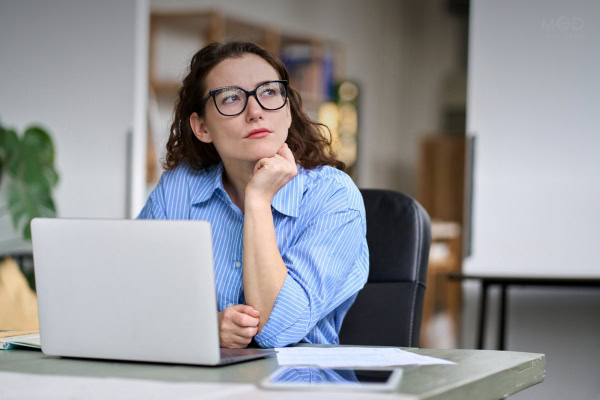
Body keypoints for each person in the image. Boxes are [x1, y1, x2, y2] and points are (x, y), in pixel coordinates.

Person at [138, 41, 368, 349]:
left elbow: (276, 330)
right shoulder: (178, 190)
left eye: (269, 92)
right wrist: (205, 326)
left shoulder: (334, 196)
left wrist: (258, 200)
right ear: (202, 127)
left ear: (287, 110)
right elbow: (133, 299)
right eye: (231, 98)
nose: (255, 111)